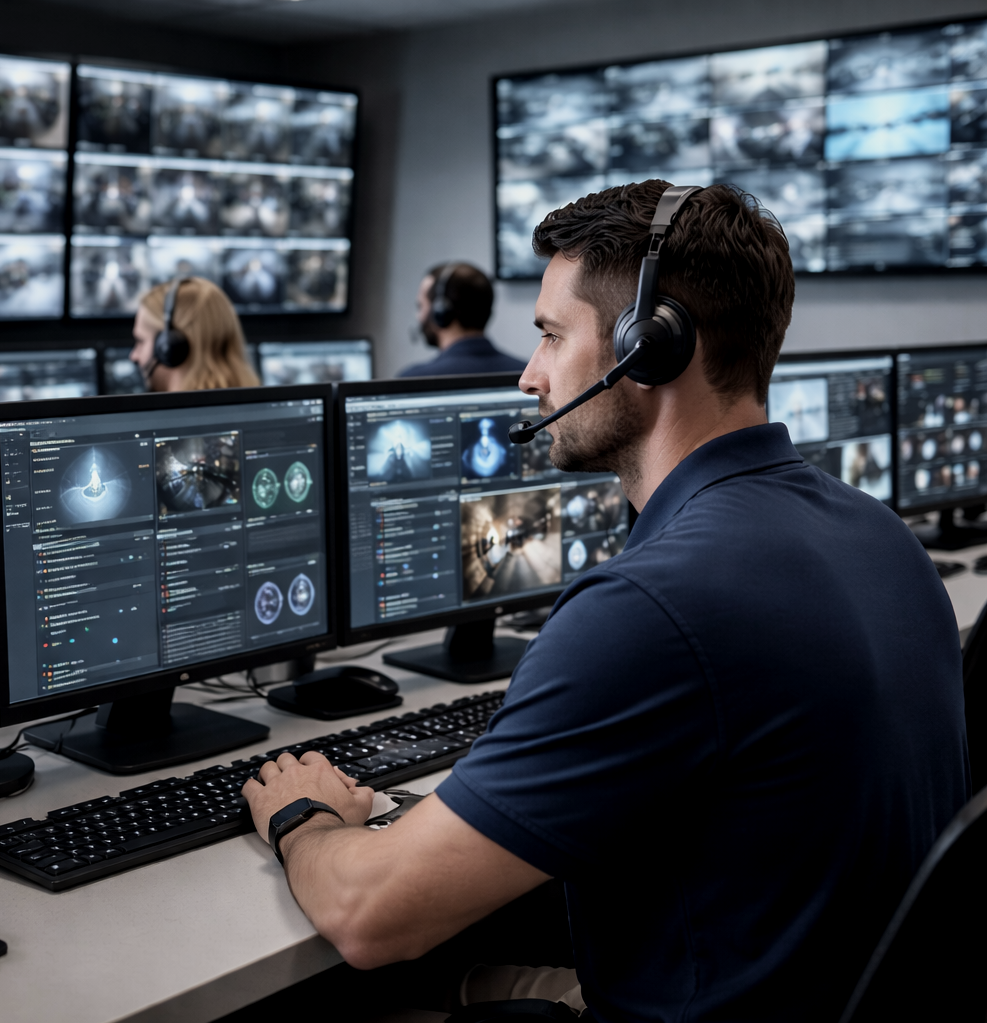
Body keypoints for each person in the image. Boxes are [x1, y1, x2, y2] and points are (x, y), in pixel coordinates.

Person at [241, 181, 968, 1020]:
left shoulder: (652, 606)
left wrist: (305, 815)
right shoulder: (881, 534)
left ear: (649, 347)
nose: (529, 376)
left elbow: (371, 915)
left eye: (551, 336)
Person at [128, 276, 259, 392]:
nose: (134, 356)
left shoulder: (173, 417)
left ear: (168, 347)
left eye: (141, 341)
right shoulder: (258, 407)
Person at [400, 261, 525, 377]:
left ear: (440, 311)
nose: (418, 316)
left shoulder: (411, 380)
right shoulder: (526, 376)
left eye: (420, 306)